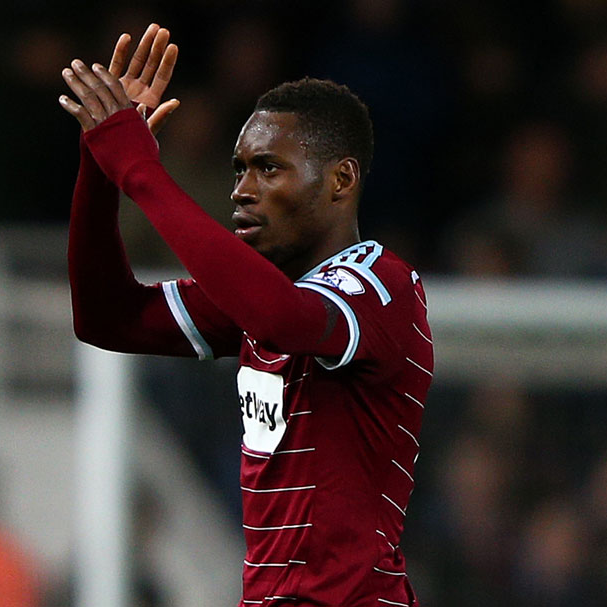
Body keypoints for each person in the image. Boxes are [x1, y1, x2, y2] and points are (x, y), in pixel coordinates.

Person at [59, 23, 434, 607]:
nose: (241, 189)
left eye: (268, 168)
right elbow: (108, 318)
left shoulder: (381, 286)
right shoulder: (262, 296)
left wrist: (142, 170)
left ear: (341, 180)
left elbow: (282, 320)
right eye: (238, 169)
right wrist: (100, 166)